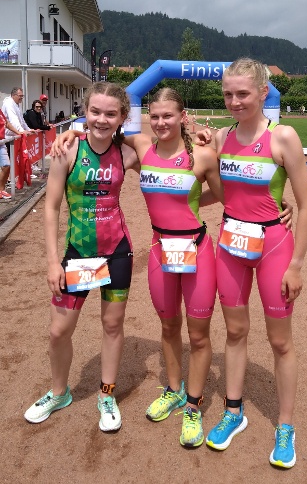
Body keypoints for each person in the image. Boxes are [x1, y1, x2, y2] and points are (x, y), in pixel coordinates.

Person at [51, 86, 293, 448]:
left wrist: (278, 203)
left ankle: (193, 406)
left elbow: (230, 195)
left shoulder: (204, 156)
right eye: (155, 116)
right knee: (167, 327)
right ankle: (174, 390)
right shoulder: (141, 147)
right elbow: (102, 132)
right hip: (159, 250)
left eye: (169, 115)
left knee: (198, 335)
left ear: (183, 116)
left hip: (197, 250)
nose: (161, 122)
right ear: (148, 118)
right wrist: (70, 132)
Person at [195, 58, 307, 469]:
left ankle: (285, 426)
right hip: (231, 243)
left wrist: (296, 263)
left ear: (264, 92)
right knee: (234, 331)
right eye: (228, 94)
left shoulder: (283, 137)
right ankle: (233, 411)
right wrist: (182, 200)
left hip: (274, 246)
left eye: (243, 93)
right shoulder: (222, 138)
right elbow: (225, 196)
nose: (234, 101)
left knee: (280, 341)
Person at [24, 82, 139, 432]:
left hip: (117, 252)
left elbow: (175, 168)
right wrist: (52, 261)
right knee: (59, 330)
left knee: (112, 325)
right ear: (84, 111)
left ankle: (106, 394)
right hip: (78, 253)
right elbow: (51, 207)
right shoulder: (67, 151)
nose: (101, 119)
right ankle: (60, 392)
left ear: (122, 118)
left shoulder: (129, 153)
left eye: (110, 113)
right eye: (95, 112)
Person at [0, 107, 24, 199]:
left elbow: (7, 123)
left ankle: (1, 190)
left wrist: (18, 132)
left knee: (6, 165)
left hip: (1, 143)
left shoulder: (0, 112)